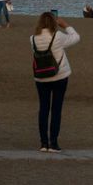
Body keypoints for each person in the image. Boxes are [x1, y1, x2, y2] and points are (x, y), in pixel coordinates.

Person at [31, 11, 80, 153]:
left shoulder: (33, 38)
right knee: (56, 109)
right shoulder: (58, 36)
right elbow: (76, 38)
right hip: (59, 75)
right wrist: (66, 25)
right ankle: (53, 143)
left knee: (44, 109)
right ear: (54, 22)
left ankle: (43, 143)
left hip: (41, 76)